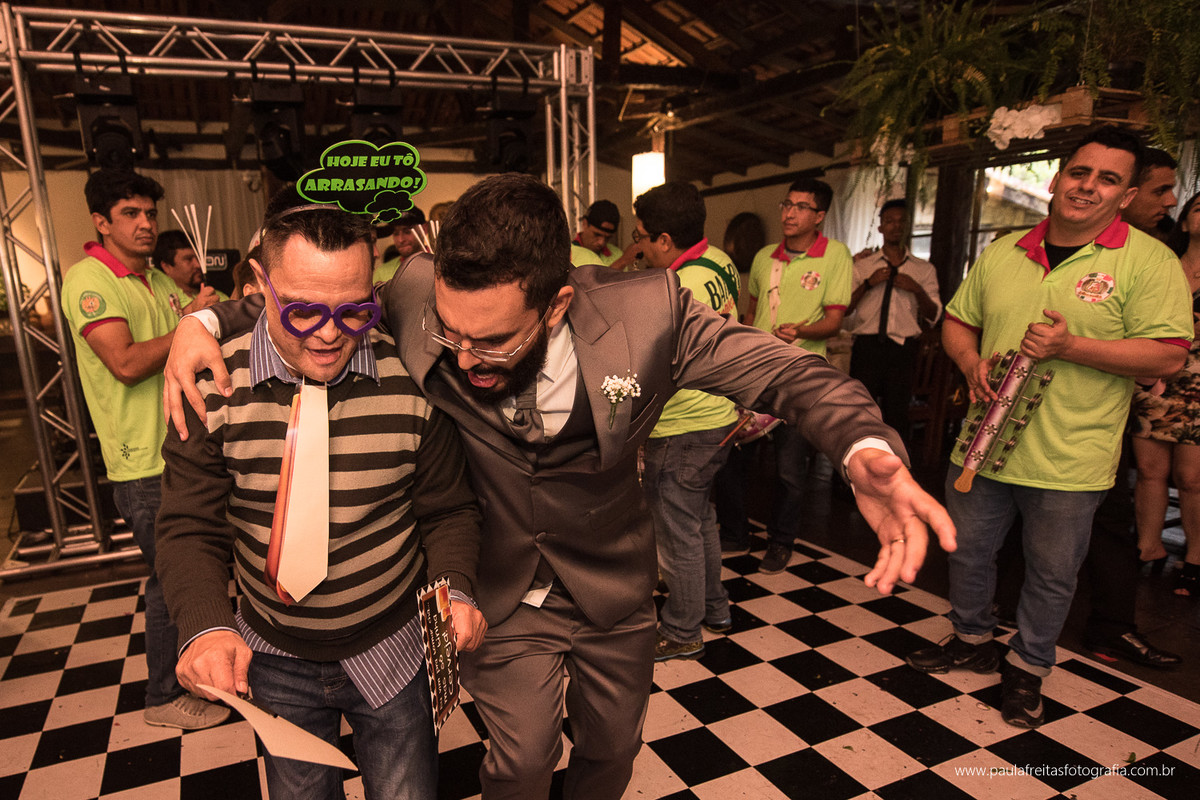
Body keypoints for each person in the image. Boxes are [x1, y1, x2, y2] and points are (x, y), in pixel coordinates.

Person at [164, 173, 955, 800]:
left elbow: (784, 371)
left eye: (494, 339)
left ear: (558, 302)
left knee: (612, 749)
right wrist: (198, 327)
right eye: (451, 332)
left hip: (610, 583)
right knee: (519, 761)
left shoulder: (650, 316)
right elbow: (302, 304)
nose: (466, 357)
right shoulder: (409, 289)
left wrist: (860, 445)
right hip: (500, 587)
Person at [155, 189, 485, 799]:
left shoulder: (411, 377)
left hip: (394, 648)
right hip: (270, 656)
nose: (332, 337)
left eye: (354, 311)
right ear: (260, 283)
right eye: (304, 312)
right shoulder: (213, 384)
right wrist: (204, 626)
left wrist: (456, 587)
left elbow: (448, 510)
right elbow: (189, 527)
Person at [906, 127, 1192, 728]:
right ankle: (971, 639)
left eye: (1108, 179)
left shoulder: (1148, 260)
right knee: (967, 554)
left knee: (1052, 573)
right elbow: (959, 321)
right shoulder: (1006, 249)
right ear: (1060, 177)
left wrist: (1072, 346)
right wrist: (969, 360)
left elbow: (1168, 355)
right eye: (1080, 172)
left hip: (1071, 456)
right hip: (981, 446)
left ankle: (1028, 667)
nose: (1088, 187)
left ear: (1125, 195)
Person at [60, 169, 227, 730]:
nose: (146, 224)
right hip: (140, 460)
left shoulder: (156, 279)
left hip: (180, 450)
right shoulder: (90, 280)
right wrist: (188, 326)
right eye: (131, 214)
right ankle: (163, 696)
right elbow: (126, 362)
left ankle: (200, 677)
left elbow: (198, 321)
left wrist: (207, 307)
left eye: (150, 214)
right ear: (101, 222)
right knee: (171, 579)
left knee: (192, 572)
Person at [1077, 148, 1186, 668]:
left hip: (1117, 408)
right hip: (1077, 408)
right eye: (1161, 189)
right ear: (1126, 193)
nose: (1171, 201)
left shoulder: (1156, 251)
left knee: (1108, 516)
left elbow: (1163, 351)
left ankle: (1108, 624)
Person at [716, 177, 854, 574]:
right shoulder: (763, 257)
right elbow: (750, 314)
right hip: (754, 374)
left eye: (800, 207)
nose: (789, 213)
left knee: (790, 470)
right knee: (731, 458)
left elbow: (834, 322)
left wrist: (801, 331)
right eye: (786, 204)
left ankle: (780, 542)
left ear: (820, 216)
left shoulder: (836, 256)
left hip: (800, 378)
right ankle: (736, 532)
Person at [630, 182, 740, 661]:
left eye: (642, 238)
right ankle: (714, 608)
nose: (638, 248)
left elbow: (660, 362)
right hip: (721, 413)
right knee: (700, 520)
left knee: (676, 532)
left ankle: (681, 629)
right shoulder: (719, 261)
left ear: (665, 240)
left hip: (684, 422)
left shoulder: (678, 285)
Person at [1132, 191, 1200, 598]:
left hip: (1198, 386)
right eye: (1198, 208)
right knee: (1150, 472)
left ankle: (1195, 558)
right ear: (1185, 222)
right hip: (1155, 378)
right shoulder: (1162, 265)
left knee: (1192, 478)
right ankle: (1148, 546)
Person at [844, 199, 941, 435]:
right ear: (880, 227)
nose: (895, 226)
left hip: (902, 349)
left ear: (908, 226)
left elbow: (934, 316)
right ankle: (851, 468)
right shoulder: (862, 267)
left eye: (901, 222)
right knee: (859, 412)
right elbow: (844, 310)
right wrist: (868, 284)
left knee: (896, 415)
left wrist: (916, 288)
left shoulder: (923, 269)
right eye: (889, 221)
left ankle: (893, 466)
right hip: (866, 348)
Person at [152, 229, 227, 312]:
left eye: (198, 258)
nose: (198, 265)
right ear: (166, 266)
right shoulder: (159, 302)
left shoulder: (216, 297)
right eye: (188, 259)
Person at [372, 206, 426, 284]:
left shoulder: (439, 264)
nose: (401, 240)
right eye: (396, 233)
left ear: (424, 229)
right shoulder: (382, 272)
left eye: (407, 232)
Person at [573, 199, 625, 268]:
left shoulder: (618, 255)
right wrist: (621, 263)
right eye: (597, 234)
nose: (601, 242)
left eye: (607, 238)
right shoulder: (568, 254)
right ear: (584, 224)